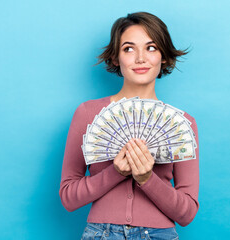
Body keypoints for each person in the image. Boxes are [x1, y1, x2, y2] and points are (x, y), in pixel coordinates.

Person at [59, 11, 199, 240]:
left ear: (163, 56)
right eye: (129, 48)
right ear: (116, 58)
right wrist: (115, 172)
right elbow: (68, 198)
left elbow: (187, 213)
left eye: (151, 47)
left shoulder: (182, 123)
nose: (141, 58)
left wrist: (146, 179)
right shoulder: (88, 113)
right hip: (100, 234)